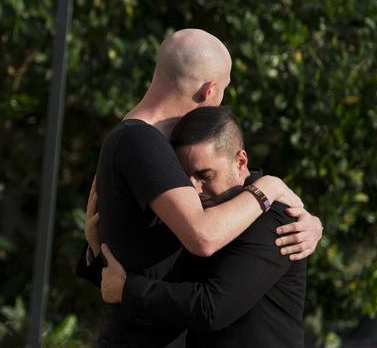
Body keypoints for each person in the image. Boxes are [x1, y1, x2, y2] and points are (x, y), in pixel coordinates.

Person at [77, 29, 322, 347]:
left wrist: (309, 221)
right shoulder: (140, 142)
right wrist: (269, 189)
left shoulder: (144, 141)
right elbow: (203, 238)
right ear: (209, 90)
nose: (194, 186)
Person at [100, 106, 307, 347]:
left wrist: (127, 289)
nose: (194, 189)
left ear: (240, 162)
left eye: (205, 175)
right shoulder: (198, 215)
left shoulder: (275, 218)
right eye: (183, 176)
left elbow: (213, 308)